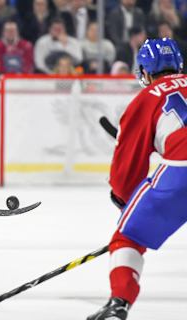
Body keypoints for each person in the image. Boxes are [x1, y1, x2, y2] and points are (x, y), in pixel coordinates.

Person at [86, 38, 186, 320]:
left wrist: (124, 201)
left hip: (182, 170)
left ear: (144, 71)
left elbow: (126, 172)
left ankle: (119, 304)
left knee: (127, 238)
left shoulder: (148, 98)